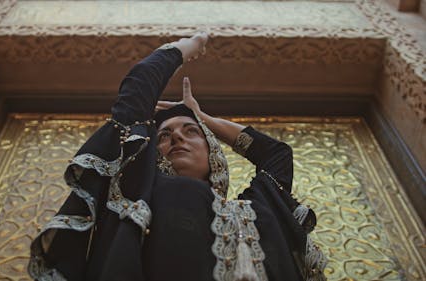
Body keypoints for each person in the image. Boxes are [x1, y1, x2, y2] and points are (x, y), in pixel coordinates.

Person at [28, 32, 327, 281]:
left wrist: (203, 118)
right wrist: (184, 48)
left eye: (190, 132)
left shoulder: (260, 204)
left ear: (214, 153)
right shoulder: (143, 190)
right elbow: (137, 90)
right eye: (165, 136)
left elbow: (276, 154)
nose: (178, 138)